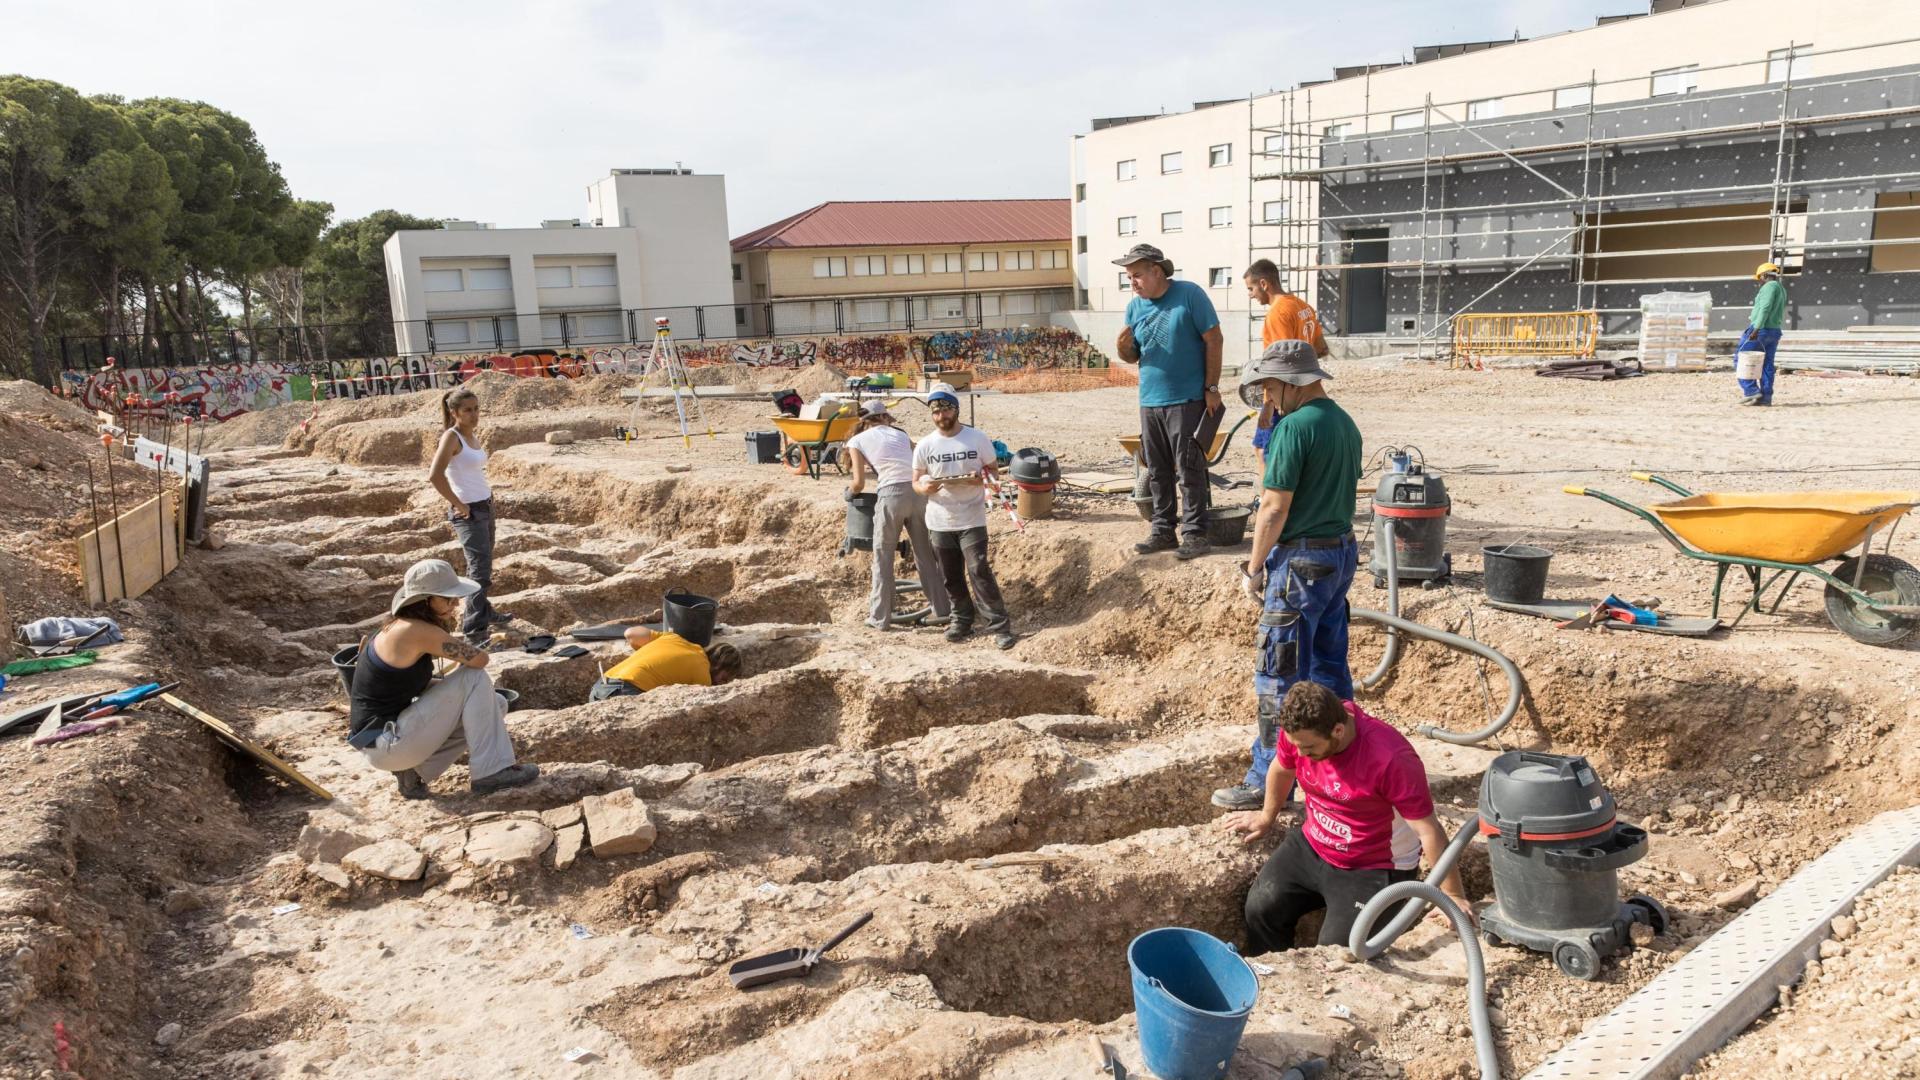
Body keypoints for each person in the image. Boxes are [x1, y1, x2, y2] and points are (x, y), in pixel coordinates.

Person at [1212, 341, 1363, 811]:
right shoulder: (1344, 423)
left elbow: (1274, 507)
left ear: (1288, 382)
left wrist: (1254, 568)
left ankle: (1265, 779)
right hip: (1339, 556)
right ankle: (1346, 760)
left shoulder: (1294, 429)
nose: (1268, 399)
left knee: (1278, 678)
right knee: (1329, 668)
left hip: (1299, 563)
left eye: (1270, 389)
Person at [1221, 681, 1469, 953]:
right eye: (1297, 746)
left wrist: (1453, 895)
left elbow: (1428, 830)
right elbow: (1282, 768)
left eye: (1310, 748)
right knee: (1260, 909)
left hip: (1373, 867)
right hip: (1313, 845)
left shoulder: (1390, 758)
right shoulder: (1299, 732)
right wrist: (1266, 816)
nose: (1301, 754)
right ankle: (1269, 980)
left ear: (1338, 731)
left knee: (1337, 953)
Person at [348, 558, 539, 797]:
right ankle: (492, 771)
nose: (456, 603)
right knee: (473, 677)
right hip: (387, 743)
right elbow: (479, 660)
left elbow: (405, 687)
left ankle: (414, 774)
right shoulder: (414, 630)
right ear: (425, 600)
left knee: (496, 703)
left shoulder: (400, 626)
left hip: (385, 743)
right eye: (447, 598)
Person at [1114, 243, 1224, 560]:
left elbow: (1214, 339)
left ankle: (1195, 534)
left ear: (1157, 272)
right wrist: (1122, 348)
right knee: (1158, 470)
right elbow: (1133, 354)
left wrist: (1212, 386)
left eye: (1137, 275)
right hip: (1150, 400)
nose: (1132, 283)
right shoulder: (1134, 308)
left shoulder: (1190, 295)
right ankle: (1163, 531)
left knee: (1189, 468)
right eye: (1128, 277)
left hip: (1187, 398)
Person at [912, 384, 1017, 650]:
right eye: (935, 411)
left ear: (955, 409)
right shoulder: (925, 445)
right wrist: (925, 487)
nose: (941, 416)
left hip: (971, 517)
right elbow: (916, 481)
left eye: (945, 409)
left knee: (978, 570)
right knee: (951, 575)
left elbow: (993, 471)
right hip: (939, 519)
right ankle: (962, 620)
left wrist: (978, 479)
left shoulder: (976, 438)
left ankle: (1000, 626)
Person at [846, 398, 952, 631]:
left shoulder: (856, 440)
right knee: (926, 555)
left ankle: (879, 618)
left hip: (891, 496)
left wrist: (849, 494)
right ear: (885, 417)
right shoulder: (900, 434)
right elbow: (920, 460)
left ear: (864, 421)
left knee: (882, 557)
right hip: (918, 495)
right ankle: (942, 610)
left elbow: (858, 482)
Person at [429, 386, 511, 645]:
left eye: (476, 409)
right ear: (454, 413)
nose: (474, 414)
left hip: (485, 505)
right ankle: (474, 631)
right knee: (478, 571)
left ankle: (483, 611)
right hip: (470, 512)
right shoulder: (451, 437)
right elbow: (435, 476)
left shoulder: (471, 435)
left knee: (485, 566)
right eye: (468, 410)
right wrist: (457, 503)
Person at [1244, 260, 1329, 457]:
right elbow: (1322, 348)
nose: (1250, 295)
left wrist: (1267, 405)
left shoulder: (1276, 314)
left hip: (1285, 396)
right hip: (1307, 390)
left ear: (1264, 284)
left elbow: (1280, 366)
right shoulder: (1303, 306)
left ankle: (1269, 489)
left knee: (1265, 451)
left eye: (1251, 288)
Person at [588, 626, 742, 701]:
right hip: (624, 693)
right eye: (724, 679)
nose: (722, 685)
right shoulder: (702, 675)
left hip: (599, 687)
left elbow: (631, 633)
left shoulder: (673, 639)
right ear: (719, 665)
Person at [1737, 262, 1788, 407]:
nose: (1760, 281)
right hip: (1774, 330)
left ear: (1765, 275)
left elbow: (1765, 308)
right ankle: (1765, 398)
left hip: (1761, 330)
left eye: (1760, 277)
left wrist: (1756, 328)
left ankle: (1751, 390)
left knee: (1741, 359)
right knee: (1767, 365)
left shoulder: (1769, 287)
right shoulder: (1781, 289)